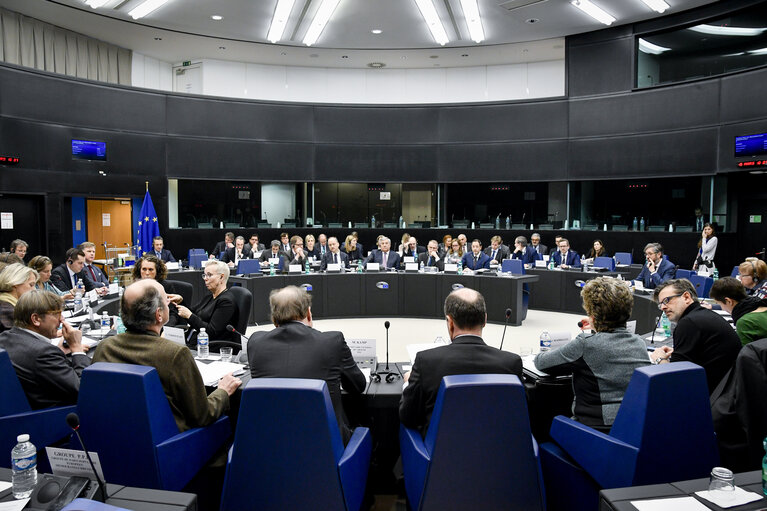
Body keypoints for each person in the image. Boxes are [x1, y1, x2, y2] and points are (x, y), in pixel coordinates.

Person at [93, 279, 241, 431]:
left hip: (117, 437)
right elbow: (203, 415)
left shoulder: (105, 347)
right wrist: (223, 391)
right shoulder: (175, 354)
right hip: (172, 443)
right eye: (166, 300)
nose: (169, 304)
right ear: (159, 314)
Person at [247, 285, 365, 444]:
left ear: (274, 318)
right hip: (326, 449)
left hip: (271, 446)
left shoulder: (255, 342)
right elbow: (358, 386)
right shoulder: (332, 341)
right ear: (308, 313)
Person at [399, 288, 523, 435]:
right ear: (484, 320)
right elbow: (520, 416)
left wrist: (408, 382)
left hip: (441, 456)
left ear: (450, 322)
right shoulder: (511, 363)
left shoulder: (426, 362)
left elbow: (407, 417)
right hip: (498, 453)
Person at [534, 277, 651, 430]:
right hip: (632, 427)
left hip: (593, 432)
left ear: (592, 314)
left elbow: (541, 362)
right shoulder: (639, 342)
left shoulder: (586, 343)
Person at [0, 290, 89, 409]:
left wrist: (59, 352)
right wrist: (77, 348)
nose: (61, 320)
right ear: (36, 319)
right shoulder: (43, 353)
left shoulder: (4, 338)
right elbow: (84, 389)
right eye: (57, 314)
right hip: (55, 417)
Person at [649, 279, 741, 394]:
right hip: (728, 393)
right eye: (660, 304)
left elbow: (674, 379)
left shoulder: (689, 323)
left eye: (667, 301)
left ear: (686, 297)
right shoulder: (703, 315)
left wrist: (659, 359)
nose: (663, 307)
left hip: (712, 400)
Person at [177, 260, 236, 345]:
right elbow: (192, 312)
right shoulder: (209, 296)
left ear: (221, 277)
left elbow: (211, 331)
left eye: (209, 275)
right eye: (204, 275)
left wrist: (189, 316)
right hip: (192, 341)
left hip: (207, 347)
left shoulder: (226, 302)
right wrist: (180, 302)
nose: (205, 278)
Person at [710, 277, 767, 346]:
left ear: (729, 301)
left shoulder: (745, 322)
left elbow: (745, 354)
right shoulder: (761, 305)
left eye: (719, 304)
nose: (722, 308)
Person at [131, 254, 183, 327]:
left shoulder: (166, 286)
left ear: (157, 271)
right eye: (144, 269)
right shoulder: (135, 287)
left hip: (162, 326)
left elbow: (173, 313)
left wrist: (166, 330)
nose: (147, 273)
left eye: (151, 269)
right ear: (139, 270)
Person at [0, 263, 38, 333]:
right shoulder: (8, 312)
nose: (34, 290)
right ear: (16, 283)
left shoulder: (7, 304)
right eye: (31, 285)